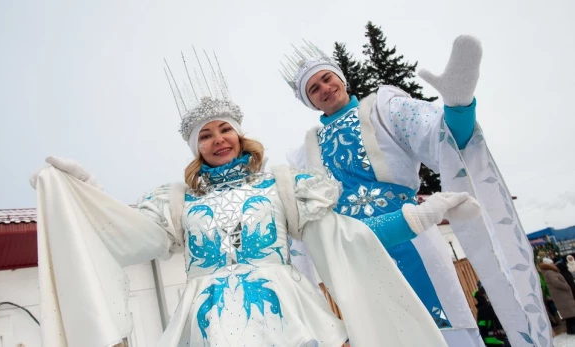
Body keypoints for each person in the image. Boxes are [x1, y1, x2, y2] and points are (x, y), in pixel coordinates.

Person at [29, 61, 481, 346]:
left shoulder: (283, 186)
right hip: (207, 328)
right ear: (196, 148)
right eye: (205, 135)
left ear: (238, 134)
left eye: (223, 129)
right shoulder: (177, 202)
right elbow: (130, 237)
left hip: (285, 321)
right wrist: (85, 190)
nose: (217, 140)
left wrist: (420, 215)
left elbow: (347, 239)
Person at [281, 36, 550, 346]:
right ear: (309, 101)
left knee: (446, 330)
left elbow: (442, 139)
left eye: (326, 78)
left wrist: (458, 108)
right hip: (357, 259)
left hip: (415, 238)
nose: (324, 88)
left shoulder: (382, 109)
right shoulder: (304, 154)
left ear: (340, 77)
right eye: (313, 88)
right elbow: (302, 220)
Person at [540, 258, 575, 335]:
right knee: (570, 313)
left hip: (561, 296)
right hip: (562, 296)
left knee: (569, 314)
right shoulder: (550, 272)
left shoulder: (548, 272)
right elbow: (556, 282)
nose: (553, 264)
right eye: (551, 263)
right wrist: (566, 286)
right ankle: (572, 329)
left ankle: (571, 329)